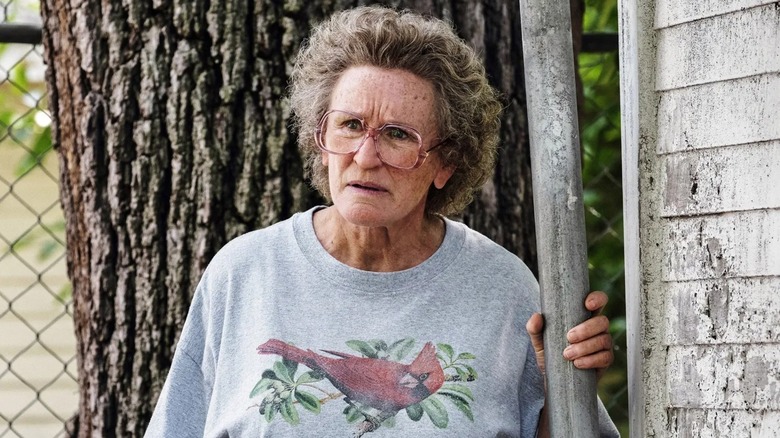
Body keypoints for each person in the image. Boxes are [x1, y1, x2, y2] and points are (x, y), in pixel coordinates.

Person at [145, 5, 618, 437]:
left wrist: (563, 386)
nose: (366, 156)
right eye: (350, 125)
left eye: (398, 135)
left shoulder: (503, 288)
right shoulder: (244, 272)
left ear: (446, 163)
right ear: (319, 138)